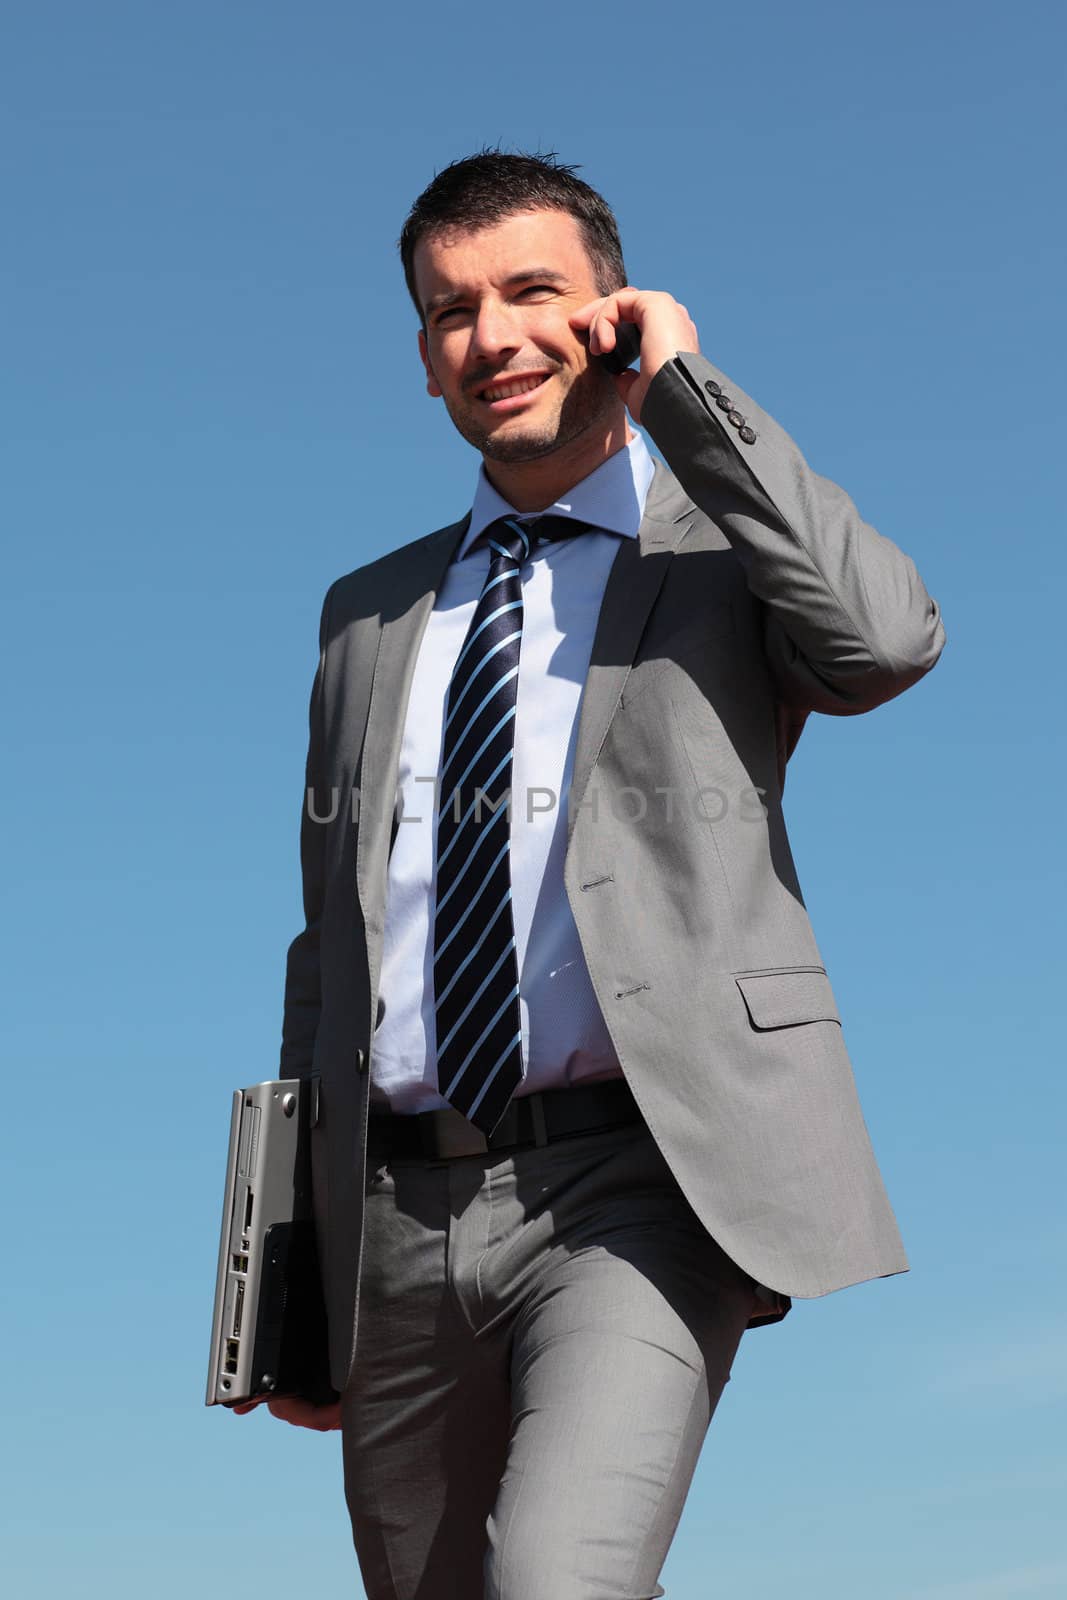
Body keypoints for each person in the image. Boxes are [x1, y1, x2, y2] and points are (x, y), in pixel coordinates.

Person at [238, 149, 946, 1599]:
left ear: (612, 310)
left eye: (530, 292)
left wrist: (688, 398)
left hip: (640, 1178)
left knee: (559, 1579)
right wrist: (290, 1275)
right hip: (394, 1210)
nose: (490, 335)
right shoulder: (365, 616)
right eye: (450, 311)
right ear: (424, 361)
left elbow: (883, 642)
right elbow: (331, 948)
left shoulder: (722, 553)